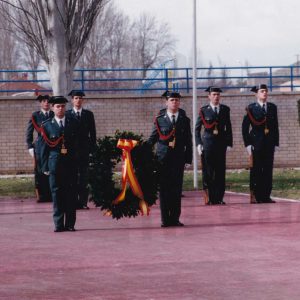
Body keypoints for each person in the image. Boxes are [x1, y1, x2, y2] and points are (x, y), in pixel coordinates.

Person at [148, 91, 192, 227]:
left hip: (178, 159)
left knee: (176, 189)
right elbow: (153, 138)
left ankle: (175, 218)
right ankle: (165, 220)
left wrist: (188, 159)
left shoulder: (185, 120)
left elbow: (188, 141)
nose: (175, 102)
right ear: (166, 102)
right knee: (164, 189)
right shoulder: (160, 119)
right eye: (172, 100)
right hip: (163, 159)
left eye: (177, 100)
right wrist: (141, 151)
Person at [40, 96, 80, 232]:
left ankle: (70, 224)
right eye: (57, 106)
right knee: (56, 194)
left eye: (63, 106)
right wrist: (44, 167)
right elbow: (43, 148)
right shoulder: (47, 125)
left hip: (70, 164)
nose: (60, 109)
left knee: (70, 193)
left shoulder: (73, 123)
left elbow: (79, 145)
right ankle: (58, 224)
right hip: (55, 165)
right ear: (52, 108)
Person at [195, 87, 233, 205]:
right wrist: (199, 144)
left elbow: (229, 127)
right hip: (208, 144)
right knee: (208, 171)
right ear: (209, 96)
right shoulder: (204, 110)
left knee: (220, 171)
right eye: (214, 94)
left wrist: (229, 143)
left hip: (221, 144)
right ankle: (210, 197)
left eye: (218, 94)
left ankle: (219, 197)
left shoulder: (225, 109)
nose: (216, 97)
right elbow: (197, 129)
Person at [242, 84, 279, 203]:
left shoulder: (272, 107)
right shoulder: (251, 108)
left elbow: (275, 126)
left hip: (269, 144)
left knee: (268, 170)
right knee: (256, 170)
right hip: (256, 144)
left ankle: (266, 195)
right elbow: (245, 128)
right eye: (262, 91)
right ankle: (255, 195)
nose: (265, 93)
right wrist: (248, 144)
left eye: (266, 91)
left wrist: (276, 143)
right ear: (256, 94)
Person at [66, 90, 96, 209]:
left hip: (84, 151)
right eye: (76, 98)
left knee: (84, 177)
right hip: (71, 151)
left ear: (83, 100)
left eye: (80, 98)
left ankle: (83, 202)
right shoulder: (67, 114)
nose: (78, 100)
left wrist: (92, 150)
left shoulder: (88, 114)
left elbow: (93, 133)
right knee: (72, 177)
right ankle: (73, 202)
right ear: (72, 100)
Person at [26, 94, 53, 202]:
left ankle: (52, 195)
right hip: (40, 147)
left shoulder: (53, 114)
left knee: (52, 169)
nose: (46, 103)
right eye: (44, 101)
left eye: (48, 101)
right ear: (40, 103)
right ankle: (41, 195)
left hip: (52, 145)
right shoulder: (35, 115)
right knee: (40, 171)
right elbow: (29, 132)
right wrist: (30, 147)